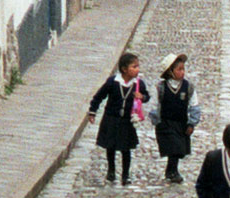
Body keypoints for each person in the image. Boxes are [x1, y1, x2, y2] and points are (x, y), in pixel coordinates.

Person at [86, 51, 150, 184]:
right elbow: (100, 96)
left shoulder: (138, 84)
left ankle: (125, 174)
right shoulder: (113, 82)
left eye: (138, 66)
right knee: (111, 146)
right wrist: (93, 111)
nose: (137, 69)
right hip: (112, 118)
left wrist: (142, 97)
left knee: (126, 148)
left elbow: (147, 96)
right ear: (124, 69)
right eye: (134, 67)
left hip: (127, 120)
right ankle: (111, 170)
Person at [150, 52, 201, 183]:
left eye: (183, 69)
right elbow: (155, 105)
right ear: (170, 71)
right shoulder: (161, 88)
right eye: (179, 69)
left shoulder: (188, 87)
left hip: (181, 123)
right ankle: (173, 171)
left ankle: (171, 170)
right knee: (173, 146)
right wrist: (156, 121)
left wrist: (191, 123)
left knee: (179, 149)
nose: (182, 72)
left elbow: (194, 105)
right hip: (166, 123)